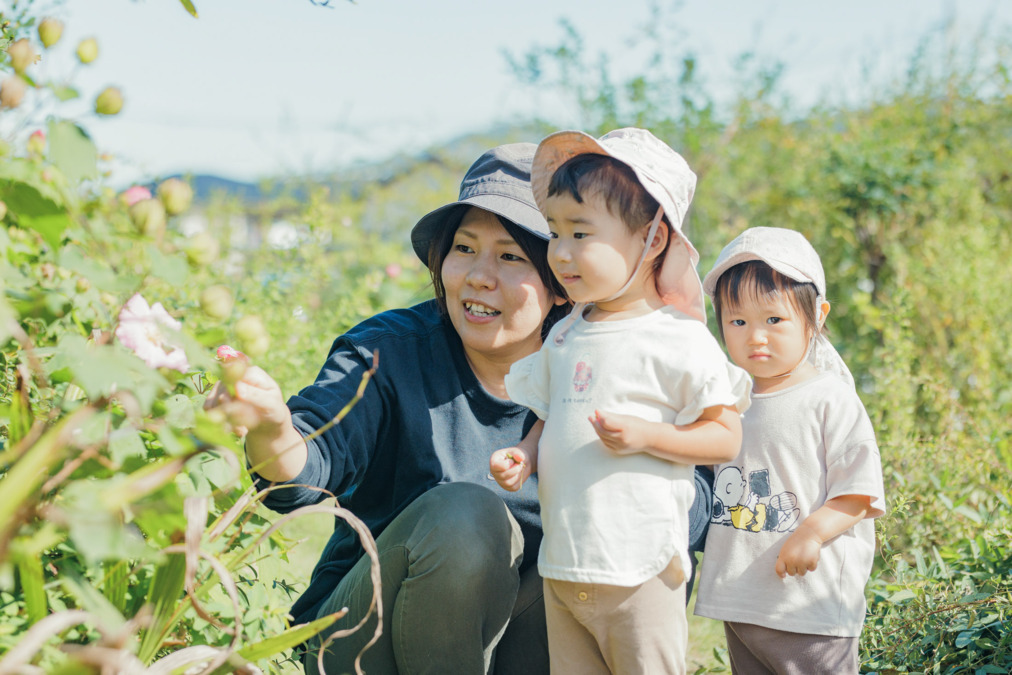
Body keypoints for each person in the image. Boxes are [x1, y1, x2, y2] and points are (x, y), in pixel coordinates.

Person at [210, 141, 717, 675]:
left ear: (563, 281)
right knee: (467, 515)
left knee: (631, 553)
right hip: (365, 646)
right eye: (464, 247)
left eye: (510, 256)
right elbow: (300, 478)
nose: (479, 275)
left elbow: (696, 507)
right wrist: (272, 427)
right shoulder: (389, 352)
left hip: (529, 640)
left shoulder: (614, 365)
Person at [490, 128, 751, 674]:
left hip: (639, 571)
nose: (561, 252)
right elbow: (552, 415)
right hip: (565, 564)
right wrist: (526, 454)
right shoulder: (566, 334)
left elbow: (725, 436)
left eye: (580, 233)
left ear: (652, 240)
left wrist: (648, 436)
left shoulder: (675, 338)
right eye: (554, 232)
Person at [693, 226, 886, 674]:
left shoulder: (829, 398)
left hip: (809, 606)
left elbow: (859, 493)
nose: (755, 337)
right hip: (742, 599)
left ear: (816, 316)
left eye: (773, 320)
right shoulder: (726, 399)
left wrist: (812, 534)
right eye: (738, 322)